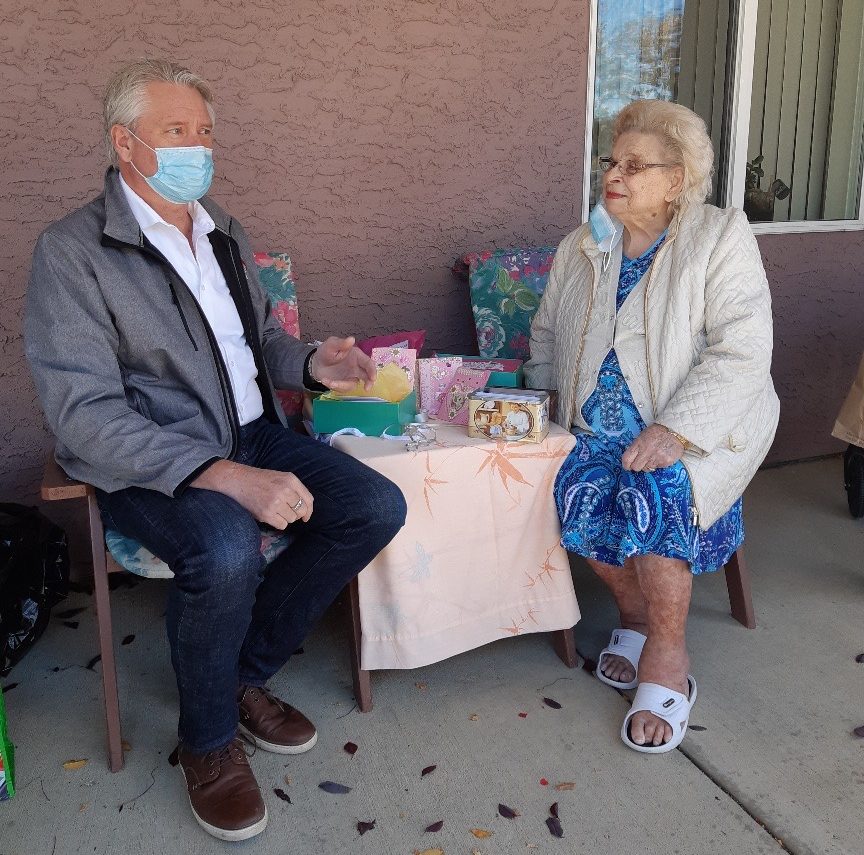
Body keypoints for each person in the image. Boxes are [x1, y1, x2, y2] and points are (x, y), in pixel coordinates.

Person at [25, 59, 407, 840]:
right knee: (227, 545)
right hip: (149, 458)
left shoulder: (219, 228)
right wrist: (227, 477)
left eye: (205, 131)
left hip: (252, 427)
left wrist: (309, 364)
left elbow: (254, 341)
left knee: (372, 506)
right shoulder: (73, 252)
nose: (199, 146)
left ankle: (240, 675)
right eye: (177, 131)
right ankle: (206, 742)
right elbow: (83, 415)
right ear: (124, 143)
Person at [525, 100, 779, 754]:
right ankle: (634, 619)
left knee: (655, 487)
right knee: (564, 483)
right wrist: (545, 404)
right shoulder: (585, 243)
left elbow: (743, 349)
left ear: (677, 180)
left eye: (636, 165)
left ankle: (667, 656)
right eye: (612, 161)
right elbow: (549, 332)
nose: (615, 174)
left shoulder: (719, 237)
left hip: (701, 431)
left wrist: (677, 430)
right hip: (595, 425)